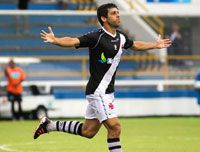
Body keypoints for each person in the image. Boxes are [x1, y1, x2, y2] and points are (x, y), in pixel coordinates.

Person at [33, 3, 171, 152]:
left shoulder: (121, 38)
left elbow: (135, 45)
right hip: (98, 91)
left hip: (108, 92)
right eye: (113, 13)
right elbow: (73, 41)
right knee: (115, 127)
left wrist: (155, 45)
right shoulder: (96, 37)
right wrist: (56, 40)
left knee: (88, 132)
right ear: (104, 18)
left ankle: (49, 125)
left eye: (118, 12)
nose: (118, 15)